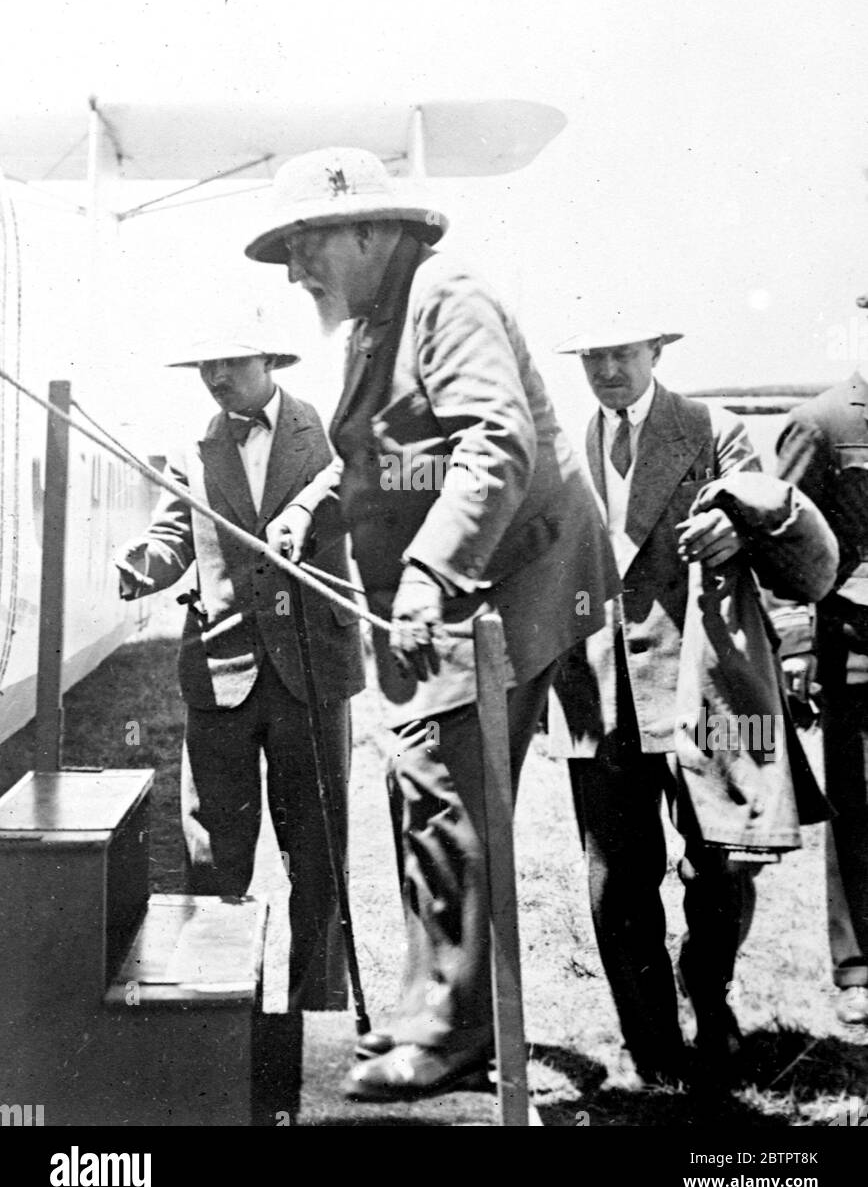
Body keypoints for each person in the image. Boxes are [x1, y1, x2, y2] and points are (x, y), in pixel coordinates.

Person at [244, 146, 620, 1100]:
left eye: (304, 244)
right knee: (423, 783)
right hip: (461, 590)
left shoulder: (448, 297)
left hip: (508, 585)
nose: (295, 272)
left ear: (371, 229)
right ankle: (432, 1015)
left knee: (442, 785)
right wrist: (313, 508)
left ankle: (450, 1033)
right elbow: (381, 454)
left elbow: (495, 441)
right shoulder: (382, 317)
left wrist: (425, 574)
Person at [550, 318, 832, 1087]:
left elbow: (770, 521)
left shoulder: (716, 430)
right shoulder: (556, 444)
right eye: (592, 354)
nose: (607, 368)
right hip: (596, 687)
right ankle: (651, 1048)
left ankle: (709, 995)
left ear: (656, 352)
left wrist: (732, 528)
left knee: (724, 861)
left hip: (705, 680)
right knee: (618, 876)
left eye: (621, 351)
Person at [114, 317, 365, 1025]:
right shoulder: (194, 450)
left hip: (310, 674)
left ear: (269, 358)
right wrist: (145, 564)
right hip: (220, 670)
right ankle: (221, 1023)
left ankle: (314, 1026)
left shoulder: (330, 434)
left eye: (230, 362)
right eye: (205, 367)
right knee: (213, 857)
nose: (217, 378)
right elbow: (172, 534)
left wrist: (309, 512)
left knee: (316, 857)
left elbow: (356, 494)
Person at [775, 294, 868, 1025]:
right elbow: (780, 546)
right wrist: (796, 651)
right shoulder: (823, 422)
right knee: (859, 806)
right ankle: (857, 968)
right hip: (856, 645)